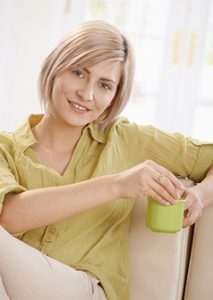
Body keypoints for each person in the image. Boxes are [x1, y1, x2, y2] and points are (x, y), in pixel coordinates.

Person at [0, 20, 213, 300]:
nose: (87, 94)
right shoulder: (6, 148)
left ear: (114, 97)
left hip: (86, 290)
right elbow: (10, 215)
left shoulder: (124, 138)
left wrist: (201, 194)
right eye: (78, 73)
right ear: (55, 68)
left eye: (104, 85)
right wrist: (117, 185)